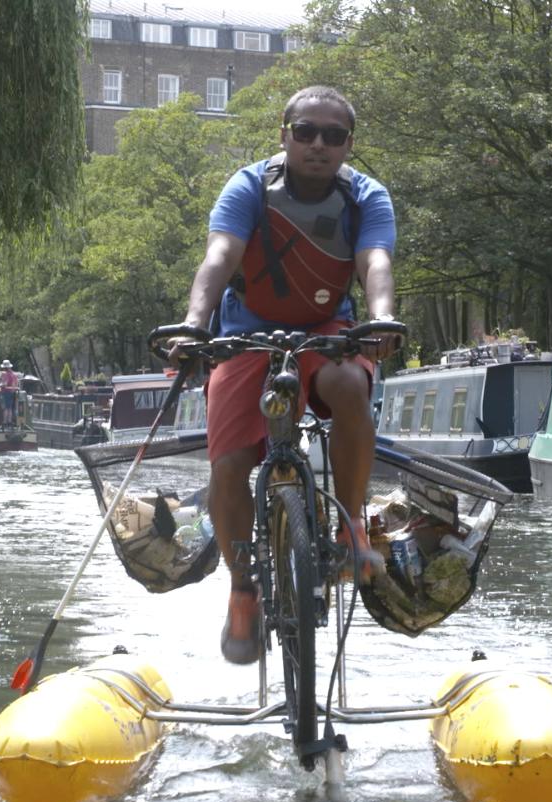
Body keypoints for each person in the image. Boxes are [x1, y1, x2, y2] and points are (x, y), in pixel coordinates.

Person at [168, 85, 402, 665]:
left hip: (328, 332)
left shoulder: (365, 196)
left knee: (350, 385)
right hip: (246, 336)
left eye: (334, 136)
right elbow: (220, 255)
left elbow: (375, 260)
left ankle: (349, 526)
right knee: (227, 467)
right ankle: (243, 588)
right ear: (284, 135)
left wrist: (382, 319)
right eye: (306, 133)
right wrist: (195, 324)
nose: (319, 145)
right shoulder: (248, 187)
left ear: (349, 144)